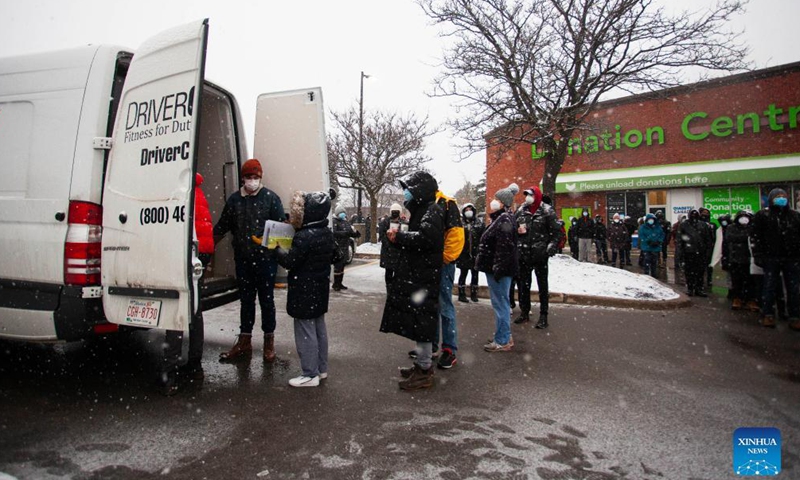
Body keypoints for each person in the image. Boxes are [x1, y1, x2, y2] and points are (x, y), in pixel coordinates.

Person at [214, 159, 285, 363]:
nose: (252, 181)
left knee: (267, 301)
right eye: (248, 177)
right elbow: (223, 226)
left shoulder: (271, 198)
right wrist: (207, 246)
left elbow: (281, 230)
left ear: (260, 177)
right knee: (246, 301)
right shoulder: (235, 200)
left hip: (266, 261)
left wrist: (267, 242)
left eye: (255, 177)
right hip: (243, 261)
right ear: (243, 178)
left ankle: (268, 343)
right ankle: (244, 341)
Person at [381, 171, 444, 390]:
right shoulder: (423, 211)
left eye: (409, 188)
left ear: (419, 191)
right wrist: (399, 240)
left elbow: (426, 239)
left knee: (424, 324)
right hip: (419, 276)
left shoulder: (432, 211)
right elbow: (419, 241)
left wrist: (400, 237)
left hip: (424, 278)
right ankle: (421, 365)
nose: (405, 193)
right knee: (419, 322)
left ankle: (424, 370)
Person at [271, 190, 338, 387]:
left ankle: (309, 374)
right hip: (319, 289)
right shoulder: (326, 233)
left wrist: (276, 247)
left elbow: (290, 261)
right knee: (319, 329)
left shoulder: (304, 237)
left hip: (303, 290)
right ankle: (321, 369)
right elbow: (337, 256)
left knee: (305, 331)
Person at [159, 173, 214, 395]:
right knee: (195, 310)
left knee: (176, 310)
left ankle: (169, 372)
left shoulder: (180, 192)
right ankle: (195, 364)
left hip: (184, 253)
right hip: (200, 253)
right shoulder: (198, 191)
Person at [476, 183, 519, 352]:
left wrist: (498, 268)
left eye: (497, 199)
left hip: (499, 271)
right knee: (501, 303)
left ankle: (502, 340)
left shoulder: (505, 219)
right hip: (498, 269)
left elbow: (504, 248)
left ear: (503, 202)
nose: (493, 201)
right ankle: (503, 334)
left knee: (501, 304)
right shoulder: (501, 218)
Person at [512, 186, 562, 328]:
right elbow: (513, 228)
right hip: (524, 255)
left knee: (542, 286)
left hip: (540, 255)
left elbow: (556, 232)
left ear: (537, 196)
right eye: (526, 194)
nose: (527, 197)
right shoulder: (521, 210)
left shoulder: (546, 210)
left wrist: (550, 247)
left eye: (530, 194)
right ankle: (524, 312)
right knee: (524, 285)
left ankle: (543, 315)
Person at [751, 188, 800, 329]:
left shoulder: (794, 216)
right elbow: (756, 236)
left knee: (793, 289)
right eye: (777, 196)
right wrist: (758, 255)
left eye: (783, 196)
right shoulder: (763, 216)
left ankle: (794, 316)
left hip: (792, 258)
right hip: (770, 257)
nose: (781, 198)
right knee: (769, 287)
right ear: (771, 199)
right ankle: (768, 314)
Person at [429, 189, 465, 369]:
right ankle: (432, 346)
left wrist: (444, 258)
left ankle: (449, 349)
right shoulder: (428, 205)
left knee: (444, 305)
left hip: (443, 264)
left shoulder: (447, 204)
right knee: (432, 305)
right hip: (432, 263)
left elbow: (456, 235)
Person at [722, 211, 757, 311]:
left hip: (749, 259)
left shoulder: (752, 227)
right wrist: (746, 237)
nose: (744, 219)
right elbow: (729, 239)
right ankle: (737, 299)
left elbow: (755, 239)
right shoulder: (731, 228)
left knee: (750, 281)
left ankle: (750, 299)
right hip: (735, 259)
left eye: (746, 217)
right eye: (741, 217)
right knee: (737, 281)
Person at [678, 209, 714, 297]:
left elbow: (708, 239)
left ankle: (699, 288)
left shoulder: (703, 225)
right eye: (692, 215)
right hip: (689, 252)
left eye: (695, 215)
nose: (694, 217)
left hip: (700, 252)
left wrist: (707, 251)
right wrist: (681, 253)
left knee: (700, 272)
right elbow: (680, 240)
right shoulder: (684, 225)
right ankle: (690, 288)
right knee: (689, 271)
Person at [456, 203, 482, 303]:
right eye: (466, 209)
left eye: (470, 209)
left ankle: (474, 293)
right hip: (463, 254)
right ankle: (461, 294)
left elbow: (482, 236)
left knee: (475, 274)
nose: (468, 211)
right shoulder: (460, 223)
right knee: (463, 274)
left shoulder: (478, 223)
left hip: (475, 254)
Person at [332, 204, 360, 291]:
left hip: (345, 246)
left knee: (343, 265)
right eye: (341, 213)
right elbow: (334, 233)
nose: (343, 214)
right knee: (338, 266)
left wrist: (356, 234)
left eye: (344, 213)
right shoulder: (334, 221)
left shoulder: (346, 222)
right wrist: (344, 233)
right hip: (337, 247)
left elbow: (350, 232)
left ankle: (340, 283)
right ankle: (335, 284)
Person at [378, 203, 406, 290]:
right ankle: (389, 289)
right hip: (389, 251)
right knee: (389, 271)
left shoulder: (403, 223)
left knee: (397, 273)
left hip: (398, 251)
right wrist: (390, 244)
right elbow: (382, 235)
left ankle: (395, 289)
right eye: (394, 211)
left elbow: (405, 234)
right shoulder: (385, 222)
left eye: (397, 211)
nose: (395, 213)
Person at [638, 213, 664, 278]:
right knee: (646, 261)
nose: (651, 221)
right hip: (647, 248)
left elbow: (662, 235)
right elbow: (641, 236)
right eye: (649, 219)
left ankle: (653, 275)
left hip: (655, 248)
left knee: (654, 262)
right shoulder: (643, 227)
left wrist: (658, 241)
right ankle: (646, 275)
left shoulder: (658, 227)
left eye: (652, 219)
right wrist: (648, 241)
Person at [699, 207, 717, 288]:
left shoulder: (712, 225)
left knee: (709, 265)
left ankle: (709, 279)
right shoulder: (698, 224)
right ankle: (700, 280)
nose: (705, 215)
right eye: (703, 213)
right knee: (701, 265)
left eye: (707, 213)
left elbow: (715, 237)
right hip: (700, 247)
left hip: (710, 247)